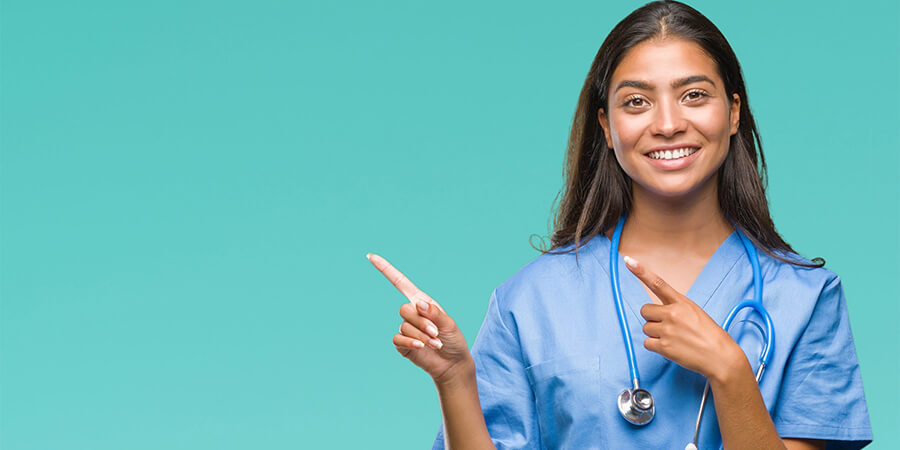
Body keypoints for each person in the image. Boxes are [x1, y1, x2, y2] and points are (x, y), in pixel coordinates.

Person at [367, 1, 872, 448]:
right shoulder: (531, 301)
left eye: (694, 95)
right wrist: (455, 379)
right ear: (607, 126)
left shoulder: (807, 299)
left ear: (734, 112)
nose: (668, 123)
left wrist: (730, 370)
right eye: (636, 102)